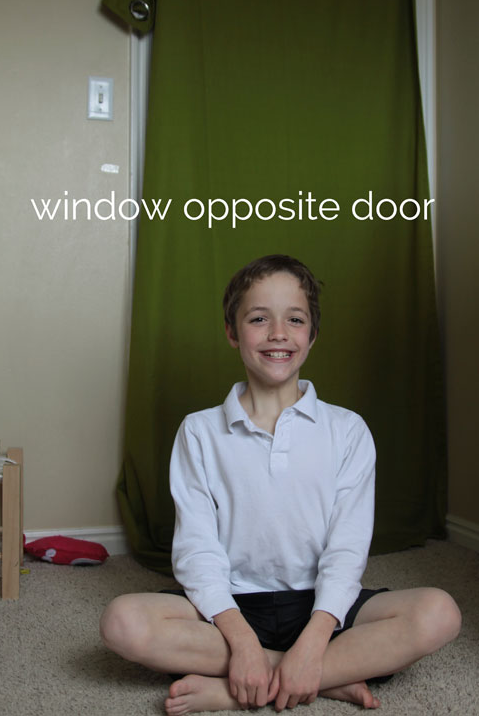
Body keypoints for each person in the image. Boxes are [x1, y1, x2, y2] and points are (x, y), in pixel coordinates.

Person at [100, 255, 461, 714]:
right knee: (123, 623)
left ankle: (243, 686)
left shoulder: (347, 430)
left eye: (295, 319)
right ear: (232, 333)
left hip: (321, 605)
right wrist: (241, 641)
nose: (277, 334)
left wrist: (314, 640)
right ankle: (322, 679)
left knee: (439, 613)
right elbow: (196, 549)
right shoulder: (199, 431)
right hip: (229, 606)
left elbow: (347, 549)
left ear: (312, 335)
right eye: (258, 319)